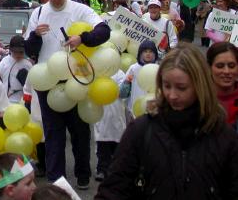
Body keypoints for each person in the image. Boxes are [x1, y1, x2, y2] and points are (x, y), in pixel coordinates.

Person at [96, 43, 238, 199]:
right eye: (166, 86)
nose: (172, 95)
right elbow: (114, 188)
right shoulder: (141, 130)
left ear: (200, 86)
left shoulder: (223, 135)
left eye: (181, 87)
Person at [24, 0, 110, 188]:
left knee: (80, 132)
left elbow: (104, 31)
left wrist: (83, 38)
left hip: (76, 78)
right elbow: (29, 50)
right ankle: (56, 178)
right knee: (53, 133)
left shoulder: (79, 9)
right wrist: (35, 35)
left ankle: (82, 175)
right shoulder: (39, 12)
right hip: (49, 80)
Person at [94, 69, 126, 182]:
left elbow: (122, 92)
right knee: (103, 145)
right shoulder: (97, 72)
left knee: (117, 145)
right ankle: (102, 169)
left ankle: (116, 170)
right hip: (101, 115)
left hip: (116, 115)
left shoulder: (119, 73)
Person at [119, 40, 160, 117]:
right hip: (134, 107)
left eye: (151, 51)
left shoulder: (158, 69)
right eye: (145, 51)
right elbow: (122, 92)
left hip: (153, 108)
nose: (148, 54)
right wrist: (127, 83)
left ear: (155, 54)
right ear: (140, 53)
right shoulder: (134, 68)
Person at [206, 42, 238, 128]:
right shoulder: (199, 98)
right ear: (209, 67)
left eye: (231, 66)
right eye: (220, 66)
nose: (226, 71)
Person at [0, 36, 32, 104]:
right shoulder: (5, 62)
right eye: (15, 52)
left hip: (23, 101)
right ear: (10, 50)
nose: (18, 54)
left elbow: (31, 84)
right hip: (7, 100)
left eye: (21, 52)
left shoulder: (27, 64)